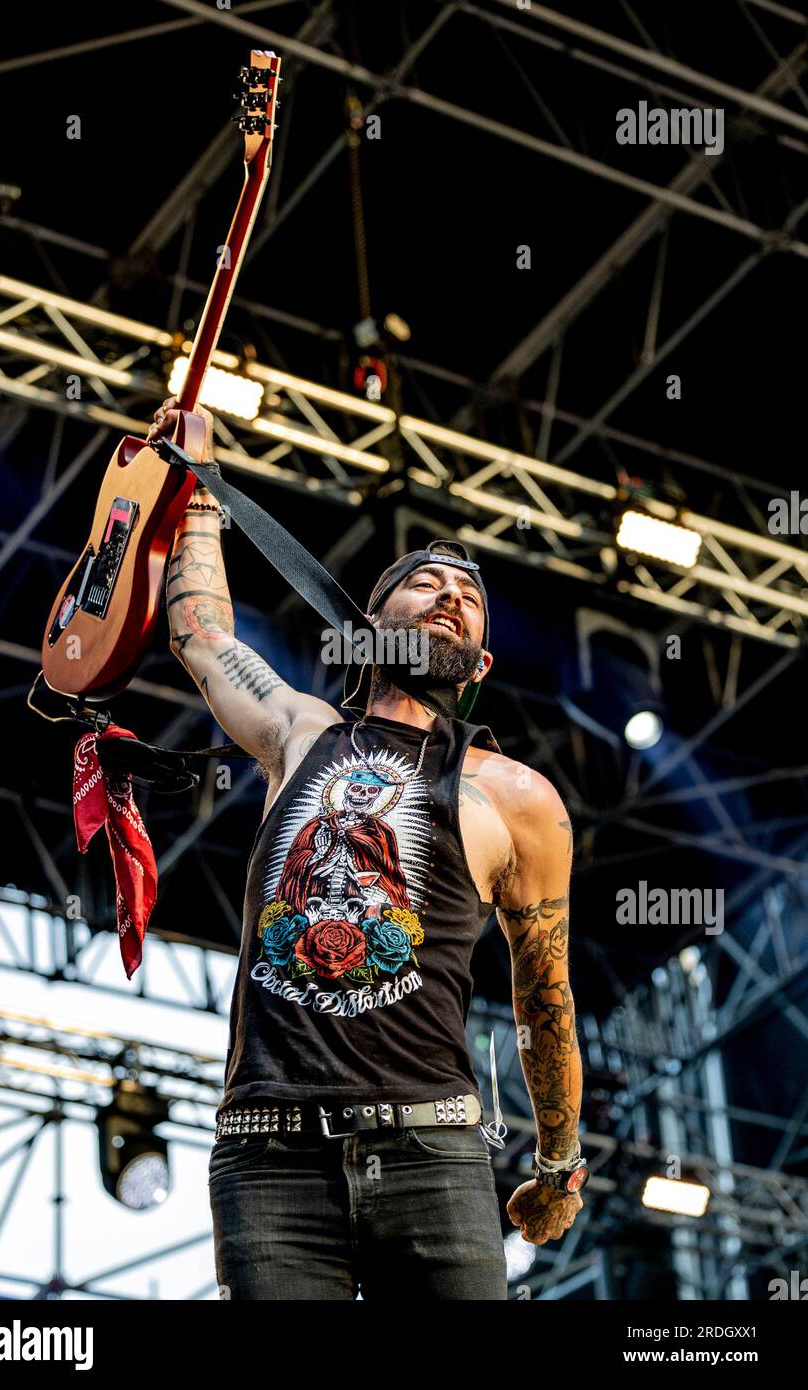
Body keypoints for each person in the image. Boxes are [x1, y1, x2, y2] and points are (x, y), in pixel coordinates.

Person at [149, 396, 585, 1301]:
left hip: (433, 1150)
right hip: (269, 1151)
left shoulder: (520, 801)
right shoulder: (300, 732)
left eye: (469, 600)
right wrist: (194, 482)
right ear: (373, 622)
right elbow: (199, 631)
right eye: (427, 585)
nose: (452, 600)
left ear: (481, 664)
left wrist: (557, 1165)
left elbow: (546, 998)